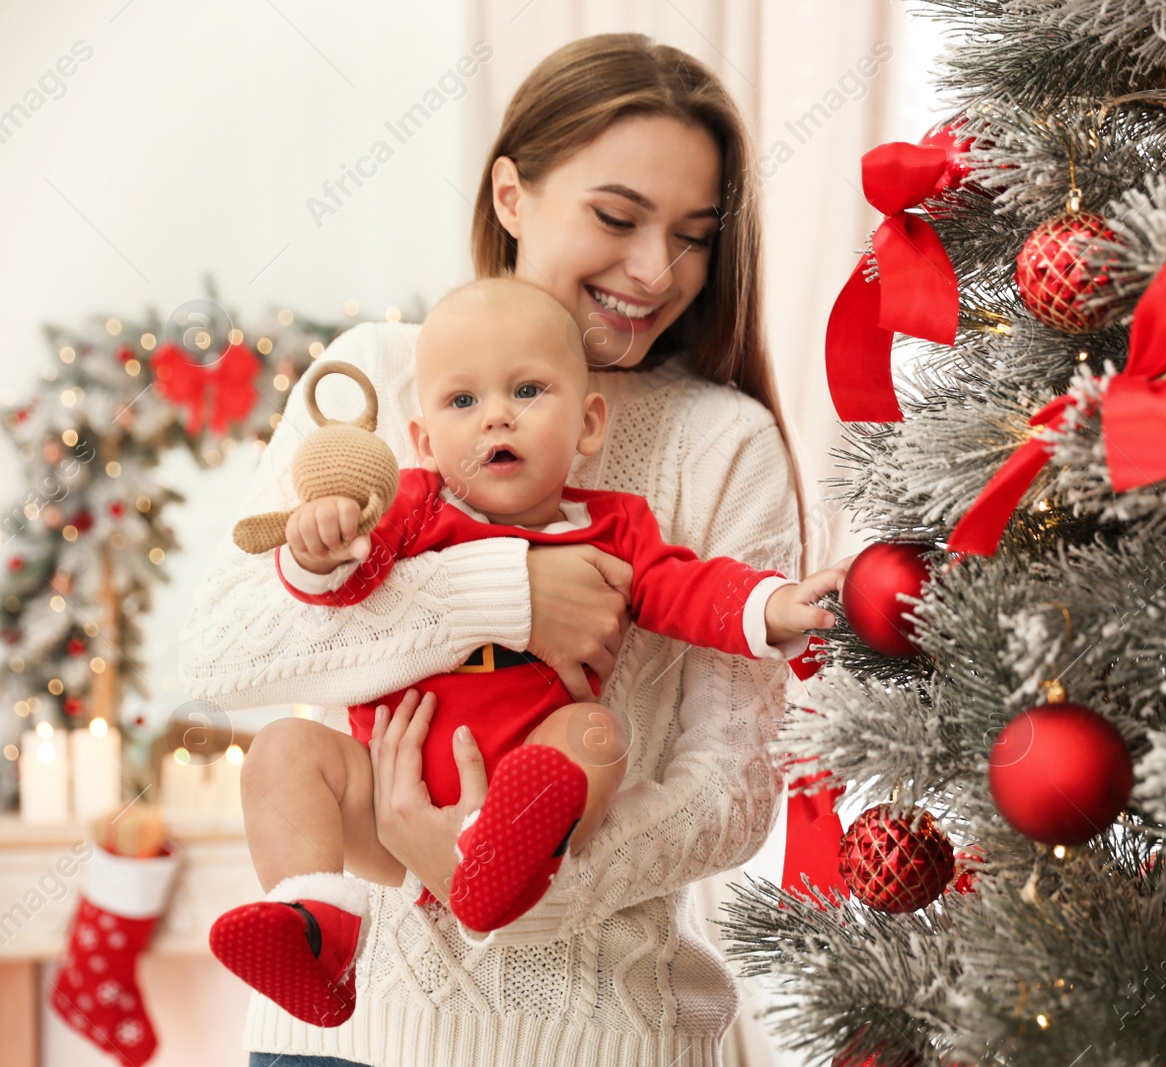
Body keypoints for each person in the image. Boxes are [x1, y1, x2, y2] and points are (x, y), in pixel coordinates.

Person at [180, 32, 810, 1067]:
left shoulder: (722, 437)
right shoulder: (384, 378)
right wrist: (506, 592)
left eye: (694, 234)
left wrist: (501, 875)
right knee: (290, 758)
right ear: (511, 195)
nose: (656, 269)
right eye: (616, 217)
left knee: (589, 749)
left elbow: (733, 789)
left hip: (599, 1033)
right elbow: (230, 653)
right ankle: (312, 924)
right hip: (344, 1032)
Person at [208, 279, 842, 1028]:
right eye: (463, 402)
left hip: (522, 772)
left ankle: (506, 854)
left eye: (529, 390)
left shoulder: (614, 527)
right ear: (423, 442)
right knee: (281, 751)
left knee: (597, 736)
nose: (497, 416)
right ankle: (316, 926)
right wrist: (318, 549)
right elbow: (341, 591)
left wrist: (770, 606)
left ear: (588, 424)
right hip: (383, 794)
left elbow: (684, 587)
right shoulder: (415, 509)